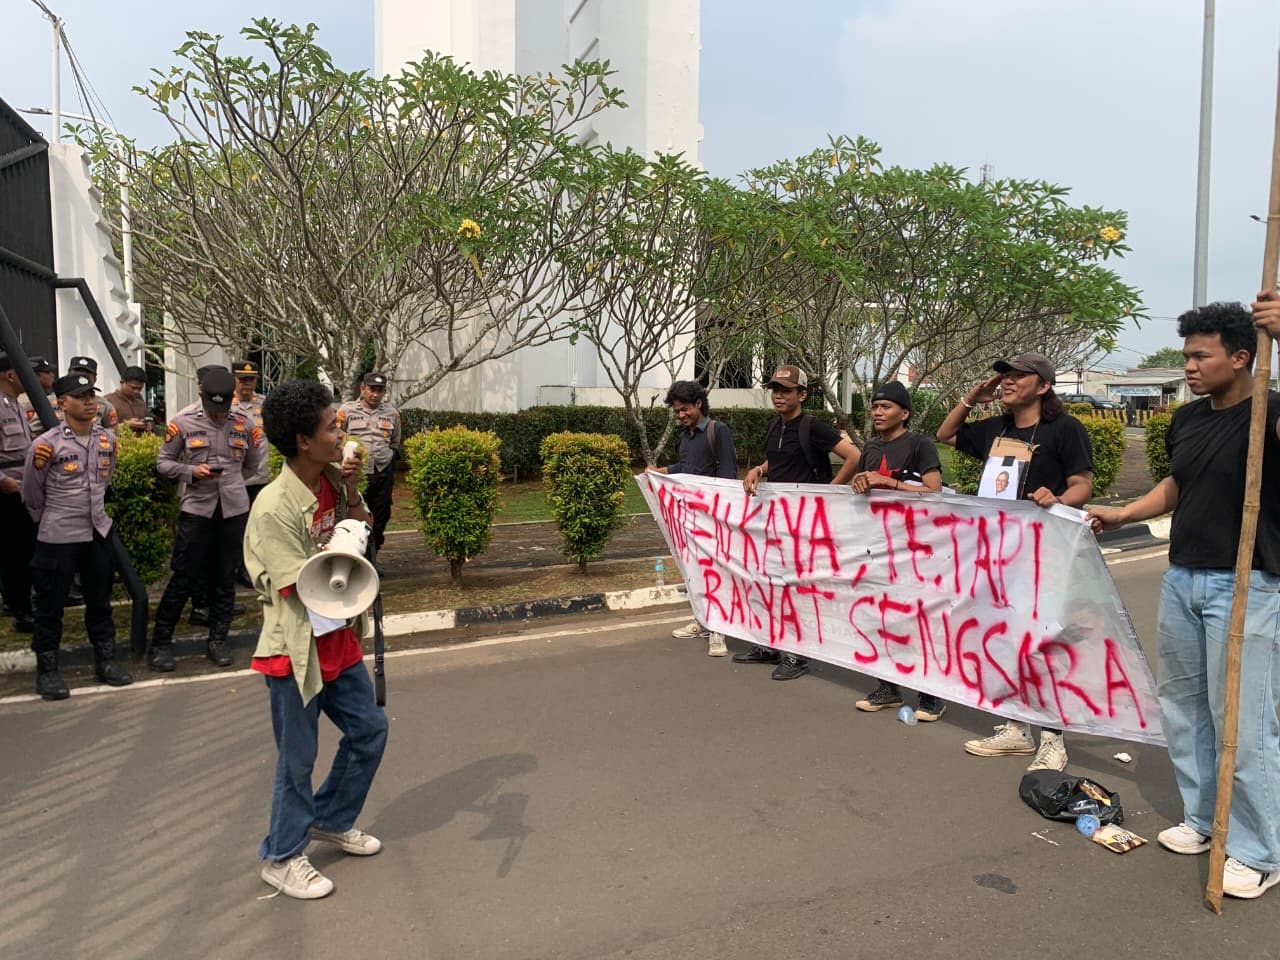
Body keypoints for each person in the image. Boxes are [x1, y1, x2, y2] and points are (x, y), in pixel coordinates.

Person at [1088, 291, 1280, 900]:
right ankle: (1205, 817)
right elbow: (1177, 483)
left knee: (1242, 721)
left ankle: (1257, 847)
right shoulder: (1188, 420)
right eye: (1186, 357)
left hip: (1248, 582)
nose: (1190, 367)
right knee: (1185, 707)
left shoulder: (1270, 413)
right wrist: (1125, 513)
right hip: (1184, 578)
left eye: (1201, 357)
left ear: (1243, 357)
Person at [245, 379, 388, 900]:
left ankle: (330, 818)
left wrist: (351, 493)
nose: (341, 431)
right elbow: (295, 585)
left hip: (339, 642)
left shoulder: (331, 479)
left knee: (370, 730)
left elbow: (362, 521)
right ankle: (281, 856)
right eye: (331, 426)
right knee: (297, 760)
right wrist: (341, 549)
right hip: (296, 649)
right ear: (303, 440)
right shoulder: (273, 507)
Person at [937, 352, 1093, 771]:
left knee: (1042, 643)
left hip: (1046, 556)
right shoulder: (998, 428)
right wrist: (973, 396)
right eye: (1002, 376)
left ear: (1043, 386)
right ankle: (1016, 728)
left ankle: (1054, 738)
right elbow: (946, 434)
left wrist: (1057, 500)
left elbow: (1083, 485)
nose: (1006, 381)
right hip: (999, 554)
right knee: (1007, 640)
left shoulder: (1065, 429)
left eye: (1017, 376)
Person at [740, 364, 861, 680]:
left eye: (786, 390)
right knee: (770, 581)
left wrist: (829, 493)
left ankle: (797, 655)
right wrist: (759, 470)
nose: (778, 396)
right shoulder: (773, 426)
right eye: (775, 390)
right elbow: (778, 460)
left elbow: (853, 456)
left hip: (805, 524)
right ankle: (771, 646)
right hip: (775, 520)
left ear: (802, 394)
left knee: (795, 588)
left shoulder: (813, 426)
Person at [22, 373, 133, 699]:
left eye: (91, 395)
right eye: (80, 396)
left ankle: (106, 660)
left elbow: (105, 480)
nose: (90, 402)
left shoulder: (107, 440)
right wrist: (53, 520)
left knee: (100, 601)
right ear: (62, 403)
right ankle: (48, 670)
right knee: (50, 606)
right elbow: (31, 494)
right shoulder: (46, 445)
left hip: (97, 531)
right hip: (58, 535)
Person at [148, 366, 266, 671]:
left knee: (225, 578)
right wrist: (191, 472)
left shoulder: (244, 423)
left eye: (222, 407)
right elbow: (163, 463)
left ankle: (218, 640)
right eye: (213, 407)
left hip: (232, 511)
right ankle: (161, 643)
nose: (217, 414)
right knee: (183, 577)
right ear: (202, 394)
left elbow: (252, 465)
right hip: (196, 511)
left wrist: (232, 484)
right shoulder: (183, 422)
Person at [849, 381, 946, 720]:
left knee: (919, 621)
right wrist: (860, 484)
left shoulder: (921, 445)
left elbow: (934, 493)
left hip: (917, 552)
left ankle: (931, 694)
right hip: (879, 548)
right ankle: (888, 687)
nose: (877, 412)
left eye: (886, 407)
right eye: (875, 406)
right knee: (879, 619)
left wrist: (890, 483)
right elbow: (862, 486)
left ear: (904, 414)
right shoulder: (871, 448)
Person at [650, 380, 739, 657]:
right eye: (677, 411)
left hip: (713, 517)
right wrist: (660, 471)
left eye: (685, 409)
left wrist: (720, 516)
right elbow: (685, 467)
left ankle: (719, 630)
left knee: (717, 575)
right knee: (696, 573)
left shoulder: (717, 431)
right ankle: (703, 621)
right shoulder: (686, 435)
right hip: (689, 516)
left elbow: (727, 476)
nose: (681, 415)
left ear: (699, 404)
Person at [336, 373, 401, 553]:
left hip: (382, 472)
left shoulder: (392, 413)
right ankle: (356, 553)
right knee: (356, 514)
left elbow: (395, 442)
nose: (375, 394)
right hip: (357, 473)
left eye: (380, 390)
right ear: (362, 388)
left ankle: (373, 555)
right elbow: (336, 437)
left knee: (381, 515)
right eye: (372, 389)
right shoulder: (346, 411)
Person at [0, 352, 36, 634]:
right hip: (7, 490)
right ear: (10, 375)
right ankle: (20, 611)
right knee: (14, 554)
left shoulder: (14, 404)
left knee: (24, 551)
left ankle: (20, 603)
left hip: (21, 488)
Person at [231, 360, 270, 587]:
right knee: (239, 527)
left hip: (262, 477)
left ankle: (258, 565)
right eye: (242, 380)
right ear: (234, 380)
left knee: (260, 525)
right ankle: (240, 567)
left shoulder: (265, 404)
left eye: (251, 380)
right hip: (236, 479)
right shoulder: (227, 405)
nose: (247, 384)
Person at [67, 356, 119, 430]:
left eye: (86, 376)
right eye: (77, 375)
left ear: (95, 379)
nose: (81, 379)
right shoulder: (52, 402)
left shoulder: (105, 406)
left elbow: (113, 436)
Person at [103, 365, 152, 435]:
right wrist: (127, 425)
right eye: (133, 388)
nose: (137, 391)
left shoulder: (141, 404)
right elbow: (99, 430)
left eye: (140, 388)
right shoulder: (107, 401)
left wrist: (147, 427)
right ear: (122, 382)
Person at [19, 356, 58, 425]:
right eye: (47, 372)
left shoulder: (50, 395)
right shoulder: (22, 399)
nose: (52, 375)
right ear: (35, 376)